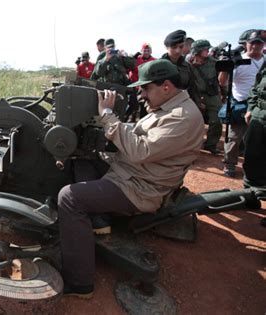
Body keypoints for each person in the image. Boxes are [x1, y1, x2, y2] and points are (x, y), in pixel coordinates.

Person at [59, 59, 204, 298]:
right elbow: (137, 135)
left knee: (70, 198)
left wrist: (107, 115)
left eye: (146, 88)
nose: (142, 94)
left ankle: (79, 283)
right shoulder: (165, 107)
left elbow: (140, 149)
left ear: (166, 86)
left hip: (140, 188)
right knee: (81, 158)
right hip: (131, 172)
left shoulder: (183, 117)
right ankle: (99, 218)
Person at [218, 30, 265, 177]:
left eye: (260, 43)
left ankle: (252, 168)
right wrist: (226, 65)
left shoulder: (265, 60)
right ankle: (230, 164)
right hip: (241, 103)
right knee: (234, 137)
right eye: (253, 43)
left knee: (258, 138)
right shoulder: (238, 60)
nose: (256, 46)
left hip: (260, 105)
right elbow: (222, 81)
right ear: (245, 44)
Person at [189, 40, 223, 154]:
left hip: (212, 95)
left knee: (216, 121)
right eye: (205, 49)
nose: (207, 51)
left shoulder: (214, 62)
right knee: (194, 122)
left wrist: (224, 94)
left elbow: (222, 79)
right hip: (195, 95)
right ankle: (192, 147)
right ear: (197, 51)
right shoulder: (189, 64)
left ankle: (211, 144)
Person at [161, 30, 201, 108]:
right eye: (174, 47)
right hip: (164, 108)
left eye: (181, 47)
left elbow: (193, 89)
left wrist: (197, 105)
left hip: (184, 107)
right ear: (166, 47)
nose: (178, 51)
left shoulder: (187, 66)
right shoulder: (158, 66)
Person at [243, 58, 266, 189]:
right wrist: (251, 108)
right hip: (259, 114)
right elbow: (255, 86)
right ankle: (251, 195)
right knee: (252, 156)